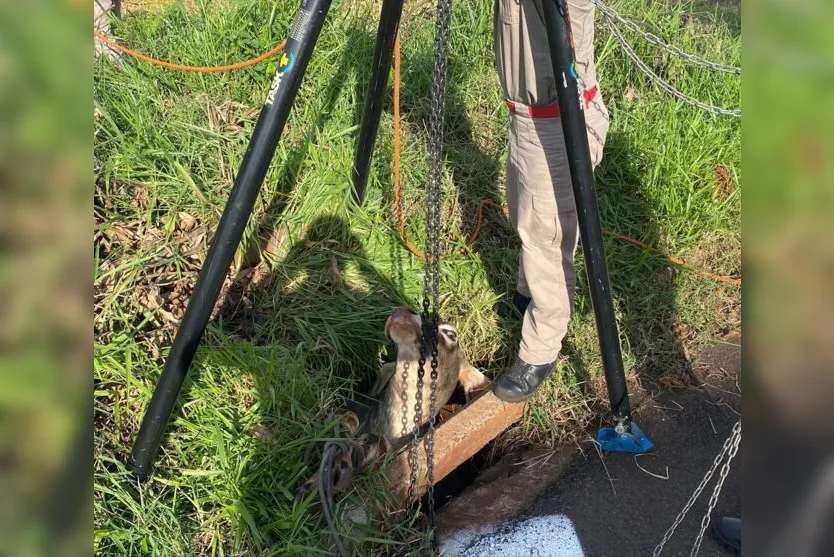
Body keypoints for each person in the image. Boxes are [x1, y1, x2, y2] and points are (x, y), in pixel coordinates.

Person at [491, 0, 610, 402]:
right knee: (525, 214)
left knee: (547, 237)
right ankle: (528, 294)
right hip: (527, 116)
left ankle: (540, 350)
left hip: (556, 123)